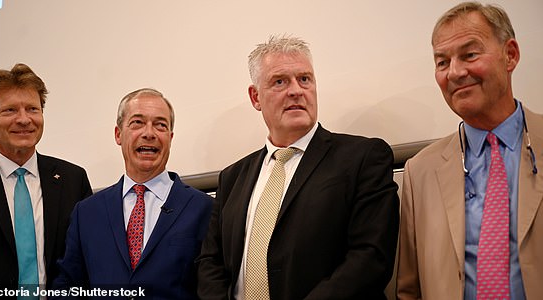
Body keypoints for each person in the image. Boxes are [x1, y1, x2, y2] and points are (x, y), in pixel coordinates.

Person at [197, 35, 399, 300]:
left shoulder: (363, 158)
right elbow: (210, 264)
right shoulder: (232, 178)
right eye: (280, 81)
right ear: (255, 97)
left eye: (304, 79)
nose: (296, 90)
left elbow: (370, 258)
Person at [396, 2, 543, 299]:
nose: (455, 72)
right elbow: (408, 289)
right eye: (441, 62)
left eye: (470, 55)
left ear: (510, 55)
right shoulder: (419, 171)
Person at [53, 88, 213, 299]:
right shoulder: (86, 213)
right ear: (118, 134)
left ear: (170, 137)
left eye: (160, 125)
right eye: (137, 122)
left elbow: (213, 286)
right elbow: (68, 286)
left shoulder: (204, 208)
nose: (149, 133)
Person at [0, 63, 93, 293]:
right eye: (10, 110)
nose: (24, 119)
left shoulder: (73, 179)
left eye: (32, 109)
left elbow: (85, 262)